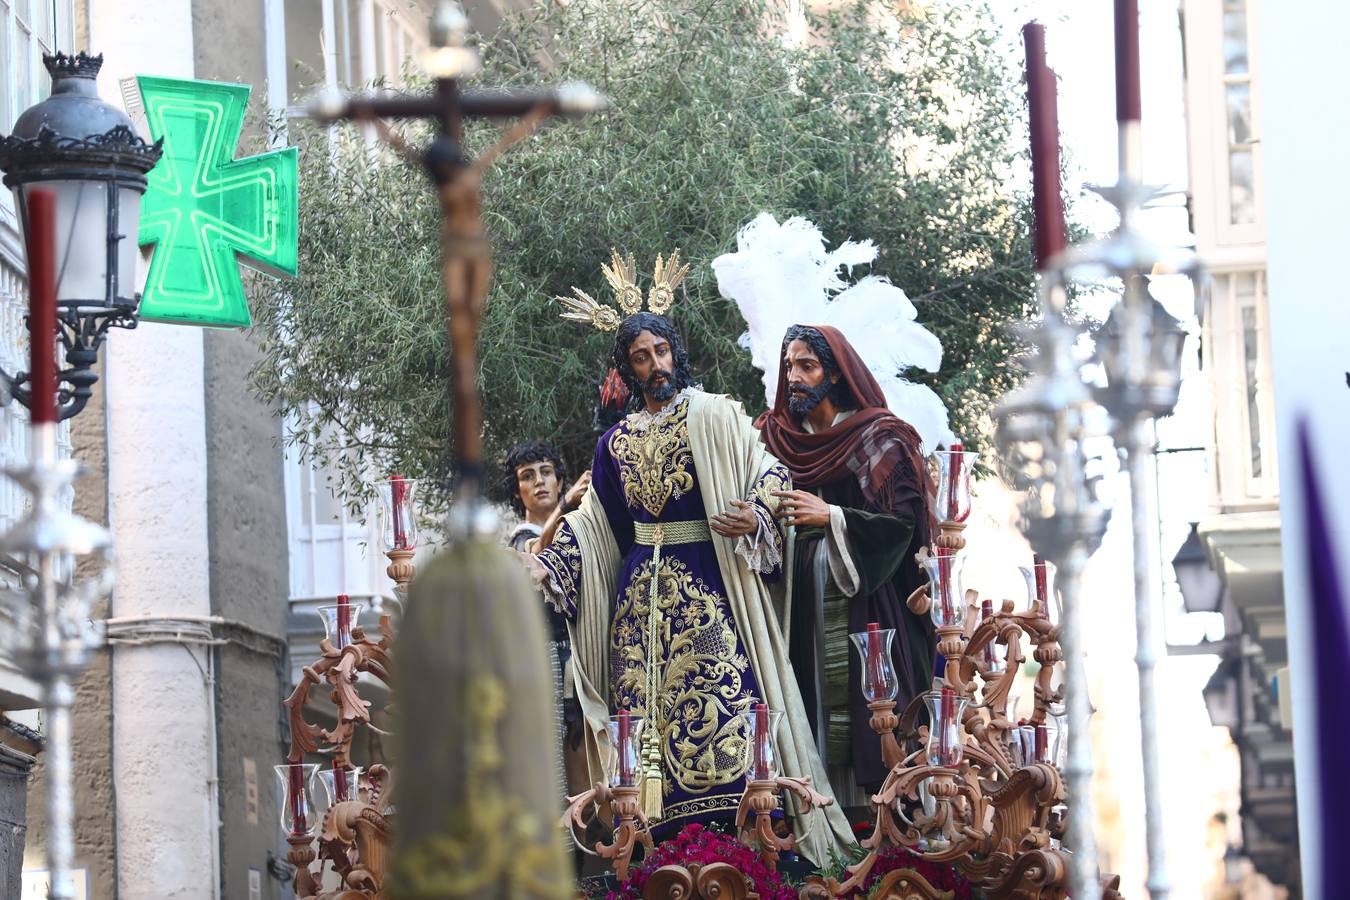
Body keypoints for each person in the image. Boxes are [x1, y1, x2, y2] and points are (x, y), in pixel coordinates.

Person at [530, 254, 854, 862]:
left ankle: (745, 845)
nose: (655, 365)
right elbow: (596, 523)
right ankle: (658, 850)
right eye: (640, 358)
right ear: (625, 370)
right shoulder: (615, 443)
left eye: (661, 351)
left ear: (676, 352)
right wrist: (552, 563)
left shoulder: (715, 415)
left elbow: (769, 471)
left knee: (726, 702)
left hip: (707, 583)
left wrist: (757, 513)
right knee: (641, 725)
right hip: (636, 605)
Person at [756, 324, 937, 805]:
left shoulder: (880, 438)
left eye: (807, 366)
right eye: (788, 366)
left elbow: (902, 524)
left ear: (835, 374)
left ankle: (887, 832)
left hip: (868, 602)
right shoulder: (773, 439)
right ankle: (822, 830)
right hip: (797, 606)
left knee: (874, 714)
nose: (793, 376)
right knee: (805, 712)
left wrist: (833, 516)